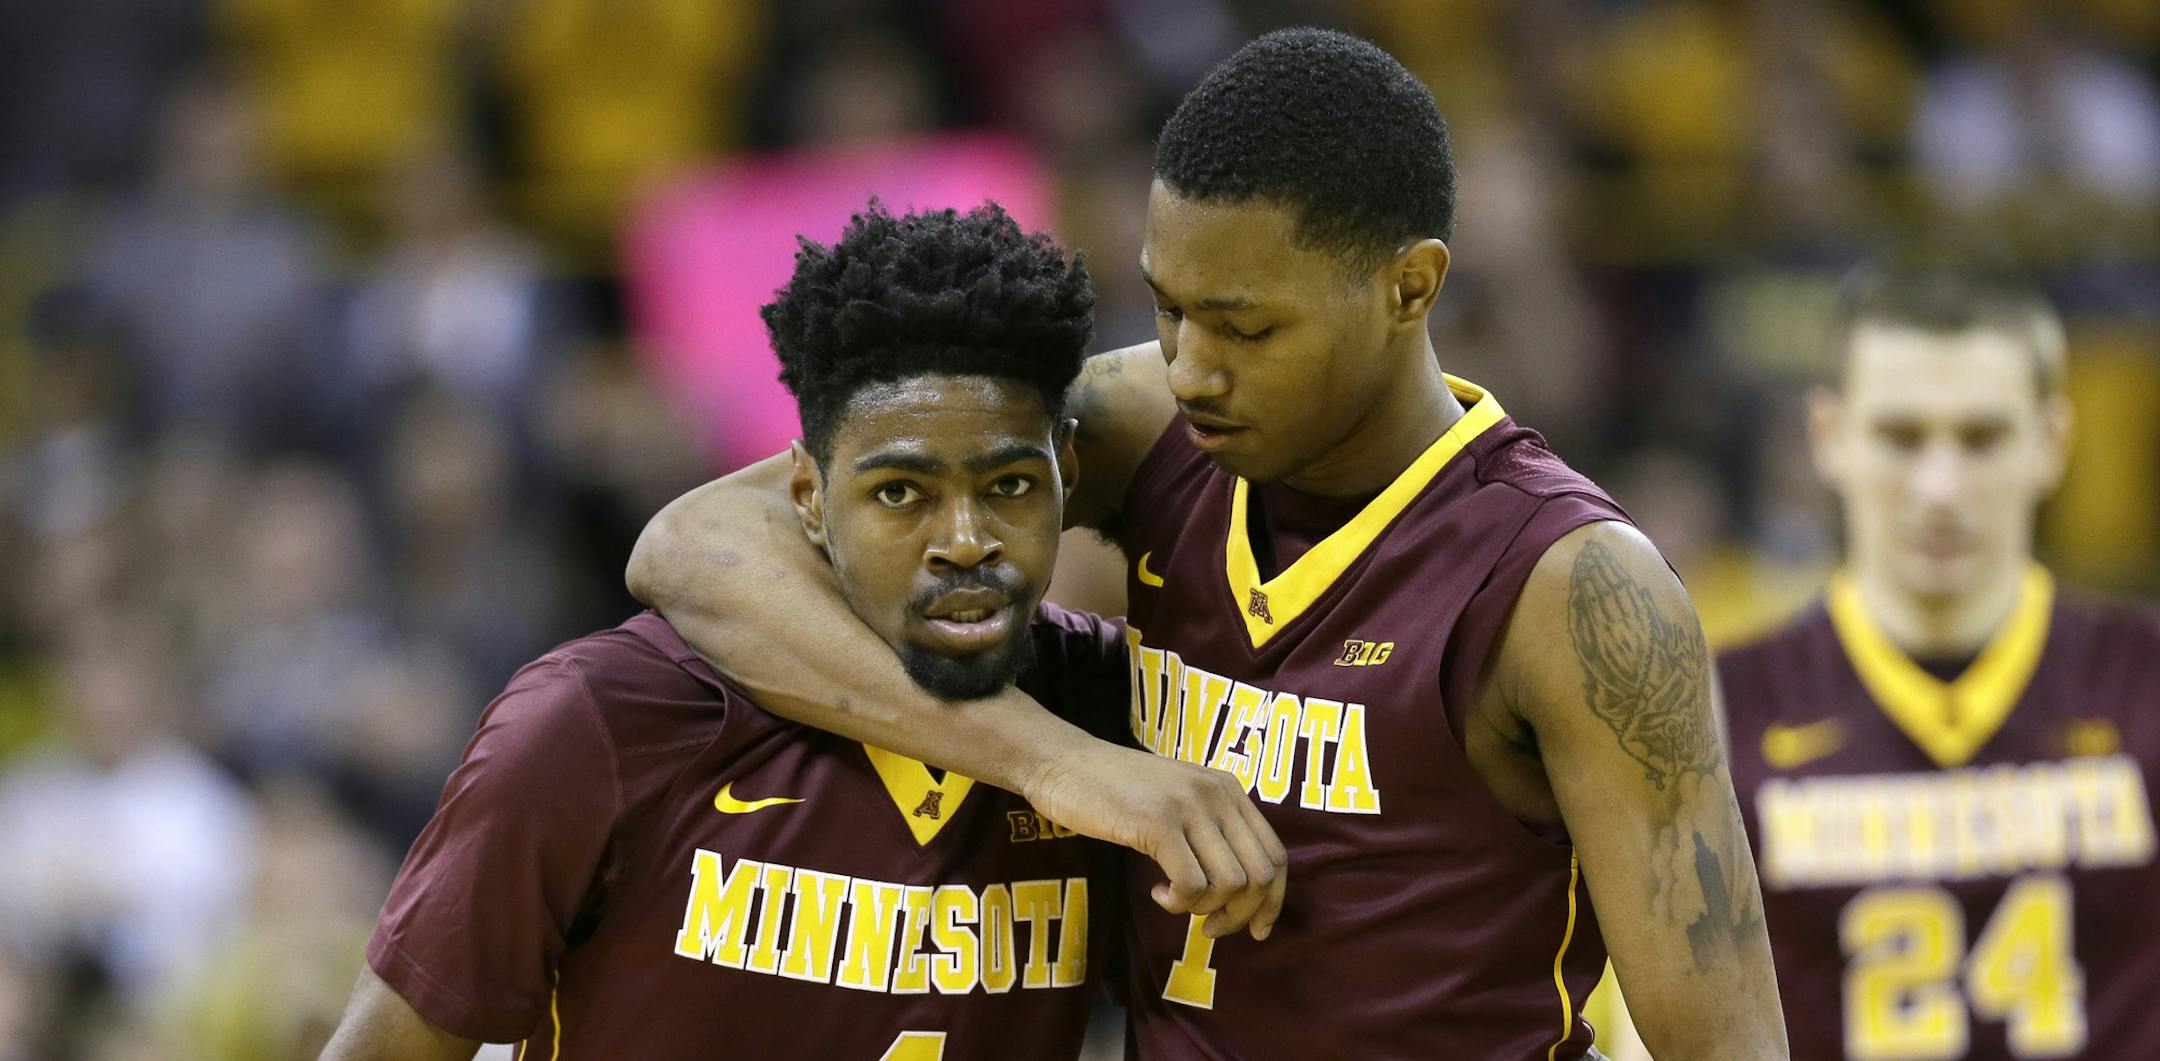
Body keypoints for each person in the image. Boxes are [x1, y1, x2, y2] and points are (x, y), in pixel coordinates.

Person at [629, 28, 1787, 1060]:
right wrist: (1061, 761)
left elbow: (1722, 1041)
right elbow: (697, 543)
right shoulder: (1157, 429)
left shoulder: (1571, 589)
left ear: (1408, 287)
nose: (1191, 366)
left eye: (1244, 326)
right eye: (1168, 309)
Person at [322, 202, 1161, 1059]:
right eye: (900, 493)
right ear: (805, 495)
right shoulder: (598, 722)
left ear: (1069, 470)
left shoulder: (1119, 707)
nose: (964, 541)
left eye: (1011, 486)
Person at [1721, 265, 2160, 1059]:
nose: (1939, 487)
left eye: (1982, 437)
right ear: (1828, 436)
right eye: (1901, 436)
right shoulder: (1714, 708)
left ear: (2052, 441)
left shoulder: (2147, 679)